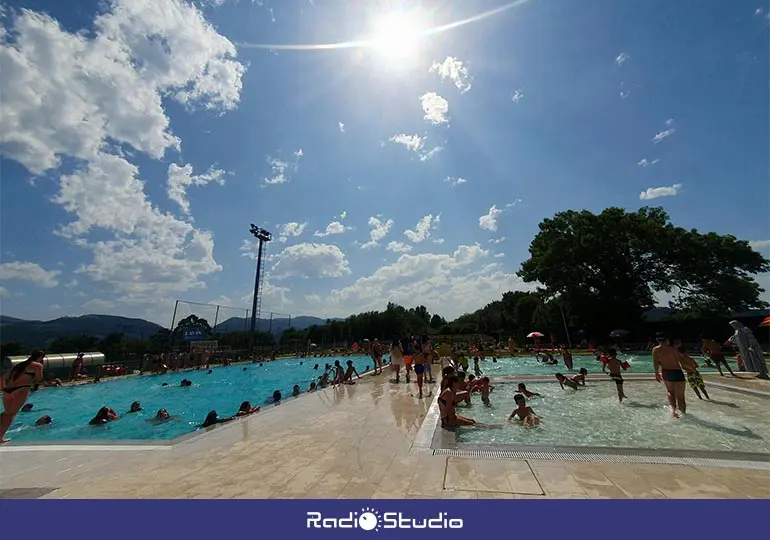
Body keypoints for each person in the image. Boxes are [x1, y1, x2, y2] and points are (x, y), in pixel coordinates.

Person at [0, 349, 45, 443]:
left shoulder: (20, 365)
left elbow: (4, 377)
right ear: (40, 357)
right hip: (21, 389)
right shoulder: (37, 365)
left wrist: (3, 387)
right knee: (10, 415)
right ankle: (0, 437)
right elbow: (38, 379)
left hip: (7, 391)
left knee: (6, 413)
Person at [653, 334, 689, 418]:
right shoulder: (673, 349)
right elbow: (682, 359)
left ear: (658, 341)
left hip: (666, 372)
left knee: (670, 392)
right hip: (677, 372)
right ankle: (683, 415)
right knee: (680, 396)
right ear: (666, 340)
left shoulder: (655, 350)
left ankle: (673, 411)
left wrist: (656, 373)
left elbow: (655, 362)